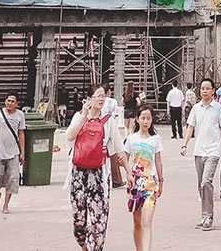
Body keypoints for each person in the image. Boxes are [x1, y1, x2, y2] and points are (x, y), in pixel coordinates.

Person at [67, 82, 128, 251]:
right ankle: (84, 245)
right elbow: (69, 137)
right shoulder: (79, 117)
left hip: (99, 175)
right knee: (79, 219)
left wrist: (129, 174)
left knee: (99, 220)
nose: (102, 99)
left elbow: (119, 151)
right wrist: (83, 115)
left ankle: (95, 248)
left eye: (104, 95)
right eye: (98, 96)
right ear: (89, 99)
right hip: (79, 175)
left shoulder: (109, 122)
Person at [181, 78, 221, 232]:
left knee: (206, 181)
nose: (205, 91)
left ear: (213, 90)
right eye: (202, 88)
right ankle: (204, 215)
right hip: (199, 150)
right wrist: (185, 144)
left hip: (213, 151)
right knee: (200, 185)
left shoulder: (218, 108)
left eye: (208, 88)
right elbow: (190, 127)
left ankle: (209, 216)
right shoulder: (196, 108)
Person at [125, 105, 163, 251]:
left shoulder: (155, 139)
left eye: (148, 118)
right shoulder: (131, 139)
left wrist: (161, 180)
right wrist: (128, 173)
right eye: (143, 118)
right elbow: (125, 158)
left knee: (147, 222)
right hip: (135, 184)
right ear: (137, 119)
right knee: (137, 223)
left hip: (150, 184)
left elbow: (158, 160)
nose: (145, 121)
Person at [0, 93, 25, 214]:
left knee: (13, 179)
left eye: (13, 101)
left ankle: (6, 205)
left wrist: (22, 153)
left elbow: (21, 134)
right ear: (5, 101)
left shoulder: (20, 115)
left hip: (13, 153)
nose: (10, 103)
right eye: (8, 100)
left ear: (17, 104)